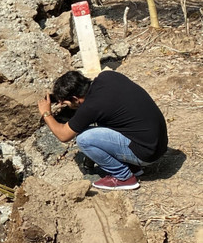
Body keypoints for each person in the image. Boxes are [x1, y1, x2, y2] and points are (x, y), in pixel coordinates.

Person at [37, 70, 167, 190]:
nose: (66, 106)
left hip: (147, 154)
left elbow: (63, 135)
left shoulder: (91, 107)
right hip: (157, 142)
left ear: (75, 99)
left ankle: (123, 177)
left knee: (84, 139)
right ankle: (132, 165)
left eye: (66, 103)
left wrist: (46, 113)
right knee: (107, 122)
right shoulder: (108, 76)